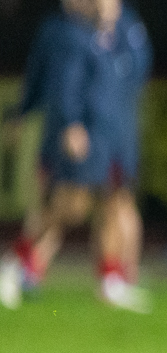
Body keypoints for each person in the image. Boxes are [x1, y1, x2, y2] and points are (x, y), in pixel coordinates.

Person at [0, 0, 151, 313]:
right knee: (71, 207)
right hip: (88, 133)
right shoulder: (71, 34)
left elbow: (136, 73)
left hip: (116, 135)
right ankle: (18, 261)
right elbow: (64, 83)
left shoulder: (123, 32)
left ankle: (111, 280)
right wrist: (71, 124)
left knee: (113, 202)